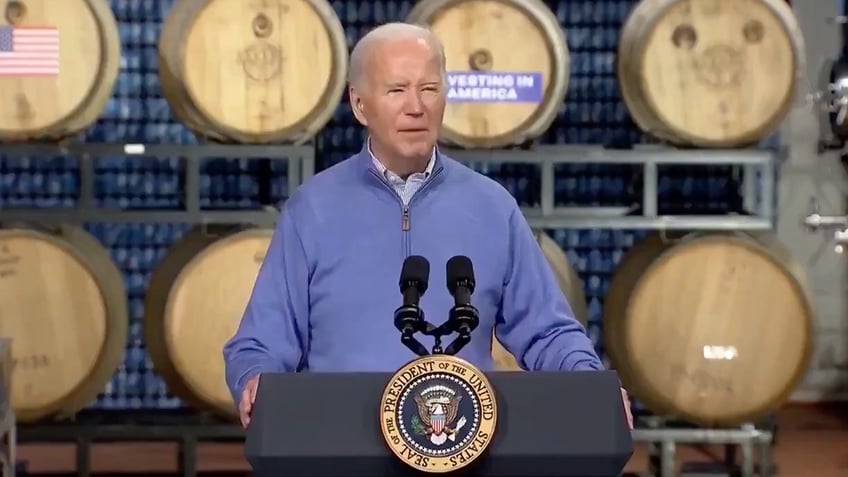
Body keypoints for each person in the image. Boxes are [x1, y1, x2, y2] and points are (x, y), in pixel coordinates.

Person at [223, 22, 633, 430]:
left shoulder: (492, 207)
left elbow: (548, 331)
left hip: (461, 443)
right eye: (397, 90)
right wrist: (255, 376)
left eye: (429, 89)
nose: (415, 106)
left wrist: (590, 382)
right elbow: (261, 341)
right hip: (340, 441)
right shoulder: (312, 209)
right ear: (360, 104)